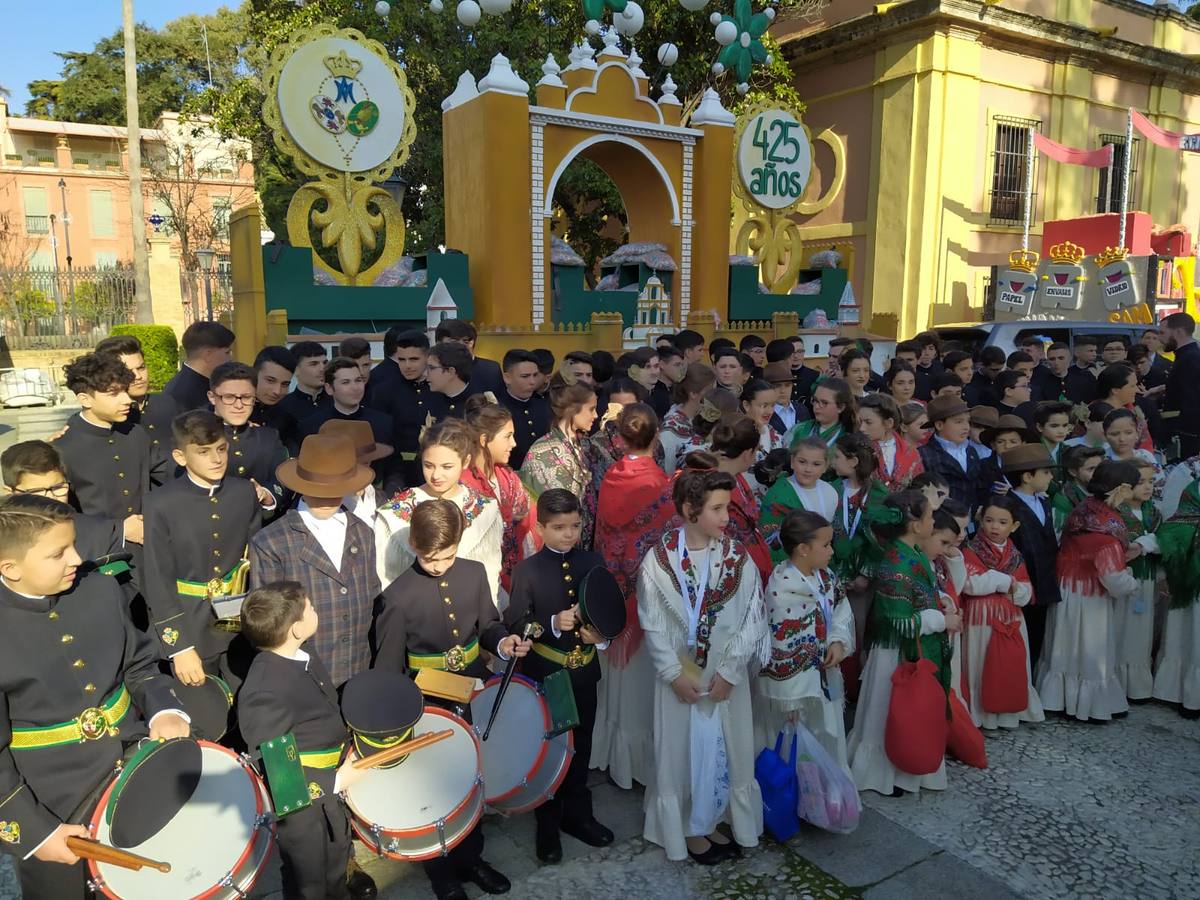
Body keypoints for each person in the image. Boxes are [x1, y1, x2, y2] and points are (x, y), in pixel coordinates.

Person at [0, 496, 188, 900]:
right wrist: (33, 832)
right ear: (9, 568)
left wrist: (165, 709)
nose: (76, 558)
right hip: (51, 802)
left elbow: (139, 665)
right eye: (58, 553)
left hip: (133, 771)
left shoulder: (100, 589)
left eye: (73, 544)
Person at [373, 499, 528, 899]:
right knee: (436, 790)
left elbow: (489, 623)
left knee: (473, 776)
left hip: (473, 690)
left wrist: (503, 641)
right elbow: (390, 669)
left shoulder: (474, 574)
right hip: (429, 706)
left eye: (447, 555)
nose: (439, 564)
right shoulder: (397, 597)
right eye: (430, 557)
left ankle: (472, 858)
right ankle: (441, 871)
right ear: (413, 544)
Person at [636, 463, 769, 864]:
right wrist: (674, 674)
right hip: (682, 675)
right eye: (717, 509)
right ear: (690, 511)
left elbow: (753, 617)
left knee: (728, 747)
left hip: (725, 674)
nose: (727, 518)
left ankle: (720, 816)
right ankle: (690, 828)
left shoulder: (737, 558)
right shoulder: (659, 562)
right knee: (683, 751)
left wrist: (730, 673)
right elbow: (653, 624)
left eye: (727, 507)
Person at [237, 581, 368, 900]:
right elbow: (278, 771)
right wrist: (334, 780)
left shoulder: (301, 652)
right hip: (304, 810)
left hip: (328, 797)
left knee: (335, 865)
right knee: (311, 882)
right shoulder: (264, 691)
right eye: (309, 607)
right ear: (295, 628)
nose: (315, 609)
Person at [505, 489, 614, 862]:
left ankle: (578, 816)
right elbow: (517, 620)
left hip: (584, 669)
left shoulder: (592, 560)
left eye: (575, 526)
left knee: (582, 745)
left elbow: (607, 608)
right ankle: (548, 826)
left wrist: (599, 636)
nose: (569, 534)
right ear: (541, 527)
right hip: (549, 673)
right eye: (559, 527)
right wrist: (551, 622)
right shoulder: (528, 571)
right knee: (553, 748)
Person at [143, 411, 262, 693]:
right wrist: (179, 646)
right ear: (180, 457)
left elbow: (256, 559)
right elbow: (158, 579)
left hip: (238, 621)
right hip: (189, 624)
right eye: (203, 452)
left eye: (221, 449)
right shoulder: (160, 502)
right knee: (203, 712)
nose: (217, 459)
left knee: (247, 700)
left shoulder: (243, 492)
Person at [847, 490, 956, 795]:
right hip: (896, 652)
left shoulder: (913, 553)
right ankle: (885, 771)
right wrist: (941, 621)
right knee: (890, 709)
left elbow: (923, 593)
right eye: (929, 515)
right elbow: (901, 621)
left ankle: (905, 766)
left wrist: (942, 602)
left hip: (907, 648)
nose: (933, 520)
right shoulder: (898, 561)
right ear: (914, 524)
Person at [249, 433, 379, 689]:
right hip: (304, 679)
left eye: (335, 490)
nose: (326, 498)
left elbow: (372, 597)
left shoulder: (363, 532)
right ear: (299, 485)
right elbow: (269, 624)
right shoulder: (272, 541)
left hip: (360, 670)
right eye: (317, 490)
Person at [592, 405, 671, 790]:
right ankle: (637, 763)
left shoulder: (611, 475)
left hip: (613, 585)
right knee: (641, 682)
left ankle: (611, 752)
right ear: (656, 436)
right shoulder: (658, 483)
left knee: (616, 680)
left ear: (619, 439)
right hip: (645, 594)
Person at [1038, 459, 1140, 722]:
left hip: (1066, 588)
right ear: (1122, 488)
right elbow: (1113, 578)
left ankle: (1057, 698)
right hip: (1090, 595)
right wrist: (1132, 582)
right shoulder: (1107, 530)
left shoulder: (1083, 510)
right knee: (1091, 650)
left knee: (1064, 646)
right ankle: (1089, 705)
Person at [754, 509, 853, 771]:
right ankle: (793, 796)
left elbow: (841, 612)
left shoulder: (827, 578)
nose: (832, 551)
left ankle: (824, 797)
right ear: (803, 549)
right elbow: (779, 642)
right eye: (826, 545)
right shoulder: (780, 587)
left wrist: (837, 641)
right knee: (794, 745)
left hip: (825, 681)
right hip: (795, 695)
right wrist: (792, 695)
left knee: (824, 742)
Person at [375, 419, 503, 601]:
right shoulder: (395, 513)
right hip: (416, 611)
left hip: (470, 611)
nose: (436, 475)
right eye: (428, 465)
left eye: (447, 467)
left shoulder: (484, 509)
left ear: (466, 462)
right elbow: (387, 575)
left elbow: (491, 570)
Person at [960, 495, 1043, 730]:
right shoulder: (971, 549)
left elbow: (1026, 590)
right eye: (989, 520)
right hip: (980, 621)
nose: (994, 527)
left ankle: (1007, 713)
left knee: (1008, 665)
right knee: (980, 664)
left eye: (1002, 522)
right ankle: (980, 715)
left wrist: (1014, 589)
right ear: (980, 520)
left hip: (1010, 618)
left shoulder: (1015, 554)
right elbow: (970, 584)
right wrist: (1006, 581)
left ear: (1014, 526)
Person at [53, 354, 151, 539]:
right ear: (85, 399)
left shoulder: (136, 434)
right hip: (97, 553)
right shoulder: (62, 449)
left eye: (125, 391)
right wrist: (119, 530)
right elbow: (60, 515)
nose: (127, 400)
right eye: (113, 394)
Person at [461, 396, 540, 602]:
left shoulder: (508, 477)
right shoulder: (463, 483)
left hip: (515, 576)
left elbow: (529, 524)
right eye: (508, 436)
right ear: (484, 439)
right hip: (478, 584)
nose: (514, 443)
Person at [0, 442, 125, 564]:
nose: (50, 499)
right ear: (10, 492)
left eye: (58, 488)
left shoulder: (100, 535)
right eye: (36, 491)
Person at [521, 378, 599, 549]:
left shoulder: (587, 446)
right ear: (573, 409)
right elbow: (531, 512)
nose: (596, 415)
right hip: (553, 547)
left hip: (585, 546)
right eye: (591, 409)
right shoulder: (539, 453)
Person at [1004, 444, 1060, 667]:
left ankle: (1033, 684)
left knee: (1039, 637)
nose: (1050, 476)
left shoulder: (1044, 501)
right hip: (1021, 583)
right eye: (1045, 472)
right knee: (1021, 637)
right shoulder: (1007, 505)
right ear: (1027, 476)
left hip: (1045, 580)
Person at [298, 358, 396, 482]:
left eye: (358, 380)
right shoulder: (311, 426)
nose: (355, 387)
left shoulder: (383, 423)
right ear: (329, 388)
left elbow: (394, 468)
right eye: (345, 382)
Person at [1111, 459, 1160, 702]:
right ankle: (1116, 683)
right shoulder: (1114, 512)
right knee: (1119, 629)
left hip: (1147, 579)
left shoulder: (1154, 512)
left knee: (1141, 632)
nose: (1147, 487)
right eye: (1140, 481)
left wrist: (1145, 544)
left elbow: (1167, 539)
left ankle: (1138, 687)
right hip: (1121, 580)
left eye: (1151, 481)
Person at [209, 362, 289, 507]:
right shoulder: (195, 436)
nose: (239, 405)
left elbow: (283, 479)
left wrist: (267, 495)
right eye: (229, 397)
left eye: (246, 397)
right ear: (212, 397)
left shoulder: (268, 437)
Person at [1153, 475, 1200, 718]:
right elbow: (1177, 526)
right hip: (1192, 578)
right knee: (1192, 634)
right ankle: (1186, 695)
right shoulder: (1194, 489)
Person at [707, 418, 774, 584]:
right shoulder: (716, 489)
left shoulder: (735, 477)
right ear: (747, 454)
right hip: (726, 575)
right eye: (756, 450)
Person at [94, 333, 178, 460]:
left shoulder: (167, 402)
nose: (138, 377)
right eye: (127, 372)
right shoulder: (106, 417)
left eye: (141, 368)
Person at [761, 436, 839, 566]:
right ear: (792, 462)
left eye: (816, 464)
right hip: (790, 567)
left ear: (826, 466)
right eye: (802, 462)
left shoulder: (830, 492)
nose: (808, 469)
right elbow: (769, 541)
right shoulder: (778, 495)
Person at [380, 329, 436, 489]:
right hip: (394, 471)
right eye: (402, 360)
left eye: (414, 359)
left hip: (432, 468)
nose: (407, 365)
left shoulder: (437, 388)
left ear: (427, 357)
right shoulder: (384, 391)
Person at [918, 395, 987, 514]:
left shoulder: (971, 451)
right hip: (942, 519)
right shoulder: (924, 454)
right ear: (939, 425)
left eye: (967, 421)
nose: (966, 427)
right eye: (959, 422)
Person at [162, 320, 235, 412]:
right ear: (208, 355)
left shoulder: (207, 382)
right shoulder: (181, 395)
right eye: (227, 352)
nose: (230, 358)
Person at [659, 364, 716, 476]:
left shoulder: (707, 419)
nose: (713, 396)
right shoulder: (669, 430)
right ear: (693, 394)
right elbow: (667, 471)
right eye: (709, 391)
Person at [857, 393, 922, 491]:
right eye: (860, 422)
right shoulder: (856, 449)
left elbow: (918, 488)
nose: (861, 428)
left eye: (868, 422)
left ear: (888, 423)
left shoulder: (911, 452)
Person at [499, 349, 551, 470]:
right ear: (507, 378)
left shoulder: (544, 405)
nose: (532, 382)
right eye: (525, 376)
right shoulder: (497, 410)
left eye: (535, 375)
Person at [435, 319, 504, 397]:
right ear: (438, 344)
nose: (461, 346)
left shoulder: (490, 370)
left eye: (466, 341)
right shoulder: (433, 369)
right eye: (454, 342)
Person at [1052, 444, 1105, 538]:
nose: (1098, 473)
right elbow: (1060, 536)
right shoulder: (1063, 499)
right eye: (1091, 469)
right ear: (1073, 472)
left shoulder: (1107, 488)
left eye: (1100, 467)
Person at [277, 341, 331, 433]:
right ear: (296, 370)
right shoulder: (282, 407)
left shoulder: (339, 401)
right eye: (314, 364)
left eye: (325, 363)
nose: (322, 369)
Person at [250, 345, 299, 441]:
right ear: (254, 373)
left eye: (285, 384)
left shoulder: (288, 420)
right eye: (270, 380)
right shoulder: (231, 411)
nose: (277, 391)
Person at [791, 377, 856, 448]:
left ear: (841, 407)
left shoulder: (847, 437)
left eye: (824, 402)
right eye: (815, 400)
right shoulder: (800, 430)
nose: (817, 406)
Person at [426, 340, 478, 418]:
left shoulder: (477, 406)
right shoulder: (430, 400)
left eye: (431, 368)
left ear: (450, 372)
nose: (425, 373)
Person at [763, 361, 804, 447]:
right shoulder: (763, 413)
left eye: (787, 385)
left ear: (792, 386)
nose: (783, 391)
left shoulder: (802, 409)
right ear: (767, 387)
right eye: (777, 386)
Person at [1033, 400, 1073, 475]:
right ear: (1040, 427)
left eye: (1065, 425)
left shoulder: (1070, 451)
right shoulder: (1032, 452)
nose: (1061, 431)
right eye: (1054, 426)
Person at [651, 345, 684, 419]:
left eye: (682, 365)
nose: (681, 369)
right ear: (661, 364)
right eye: (677, 365)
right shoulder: (653, 391)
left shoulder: (679, 390)